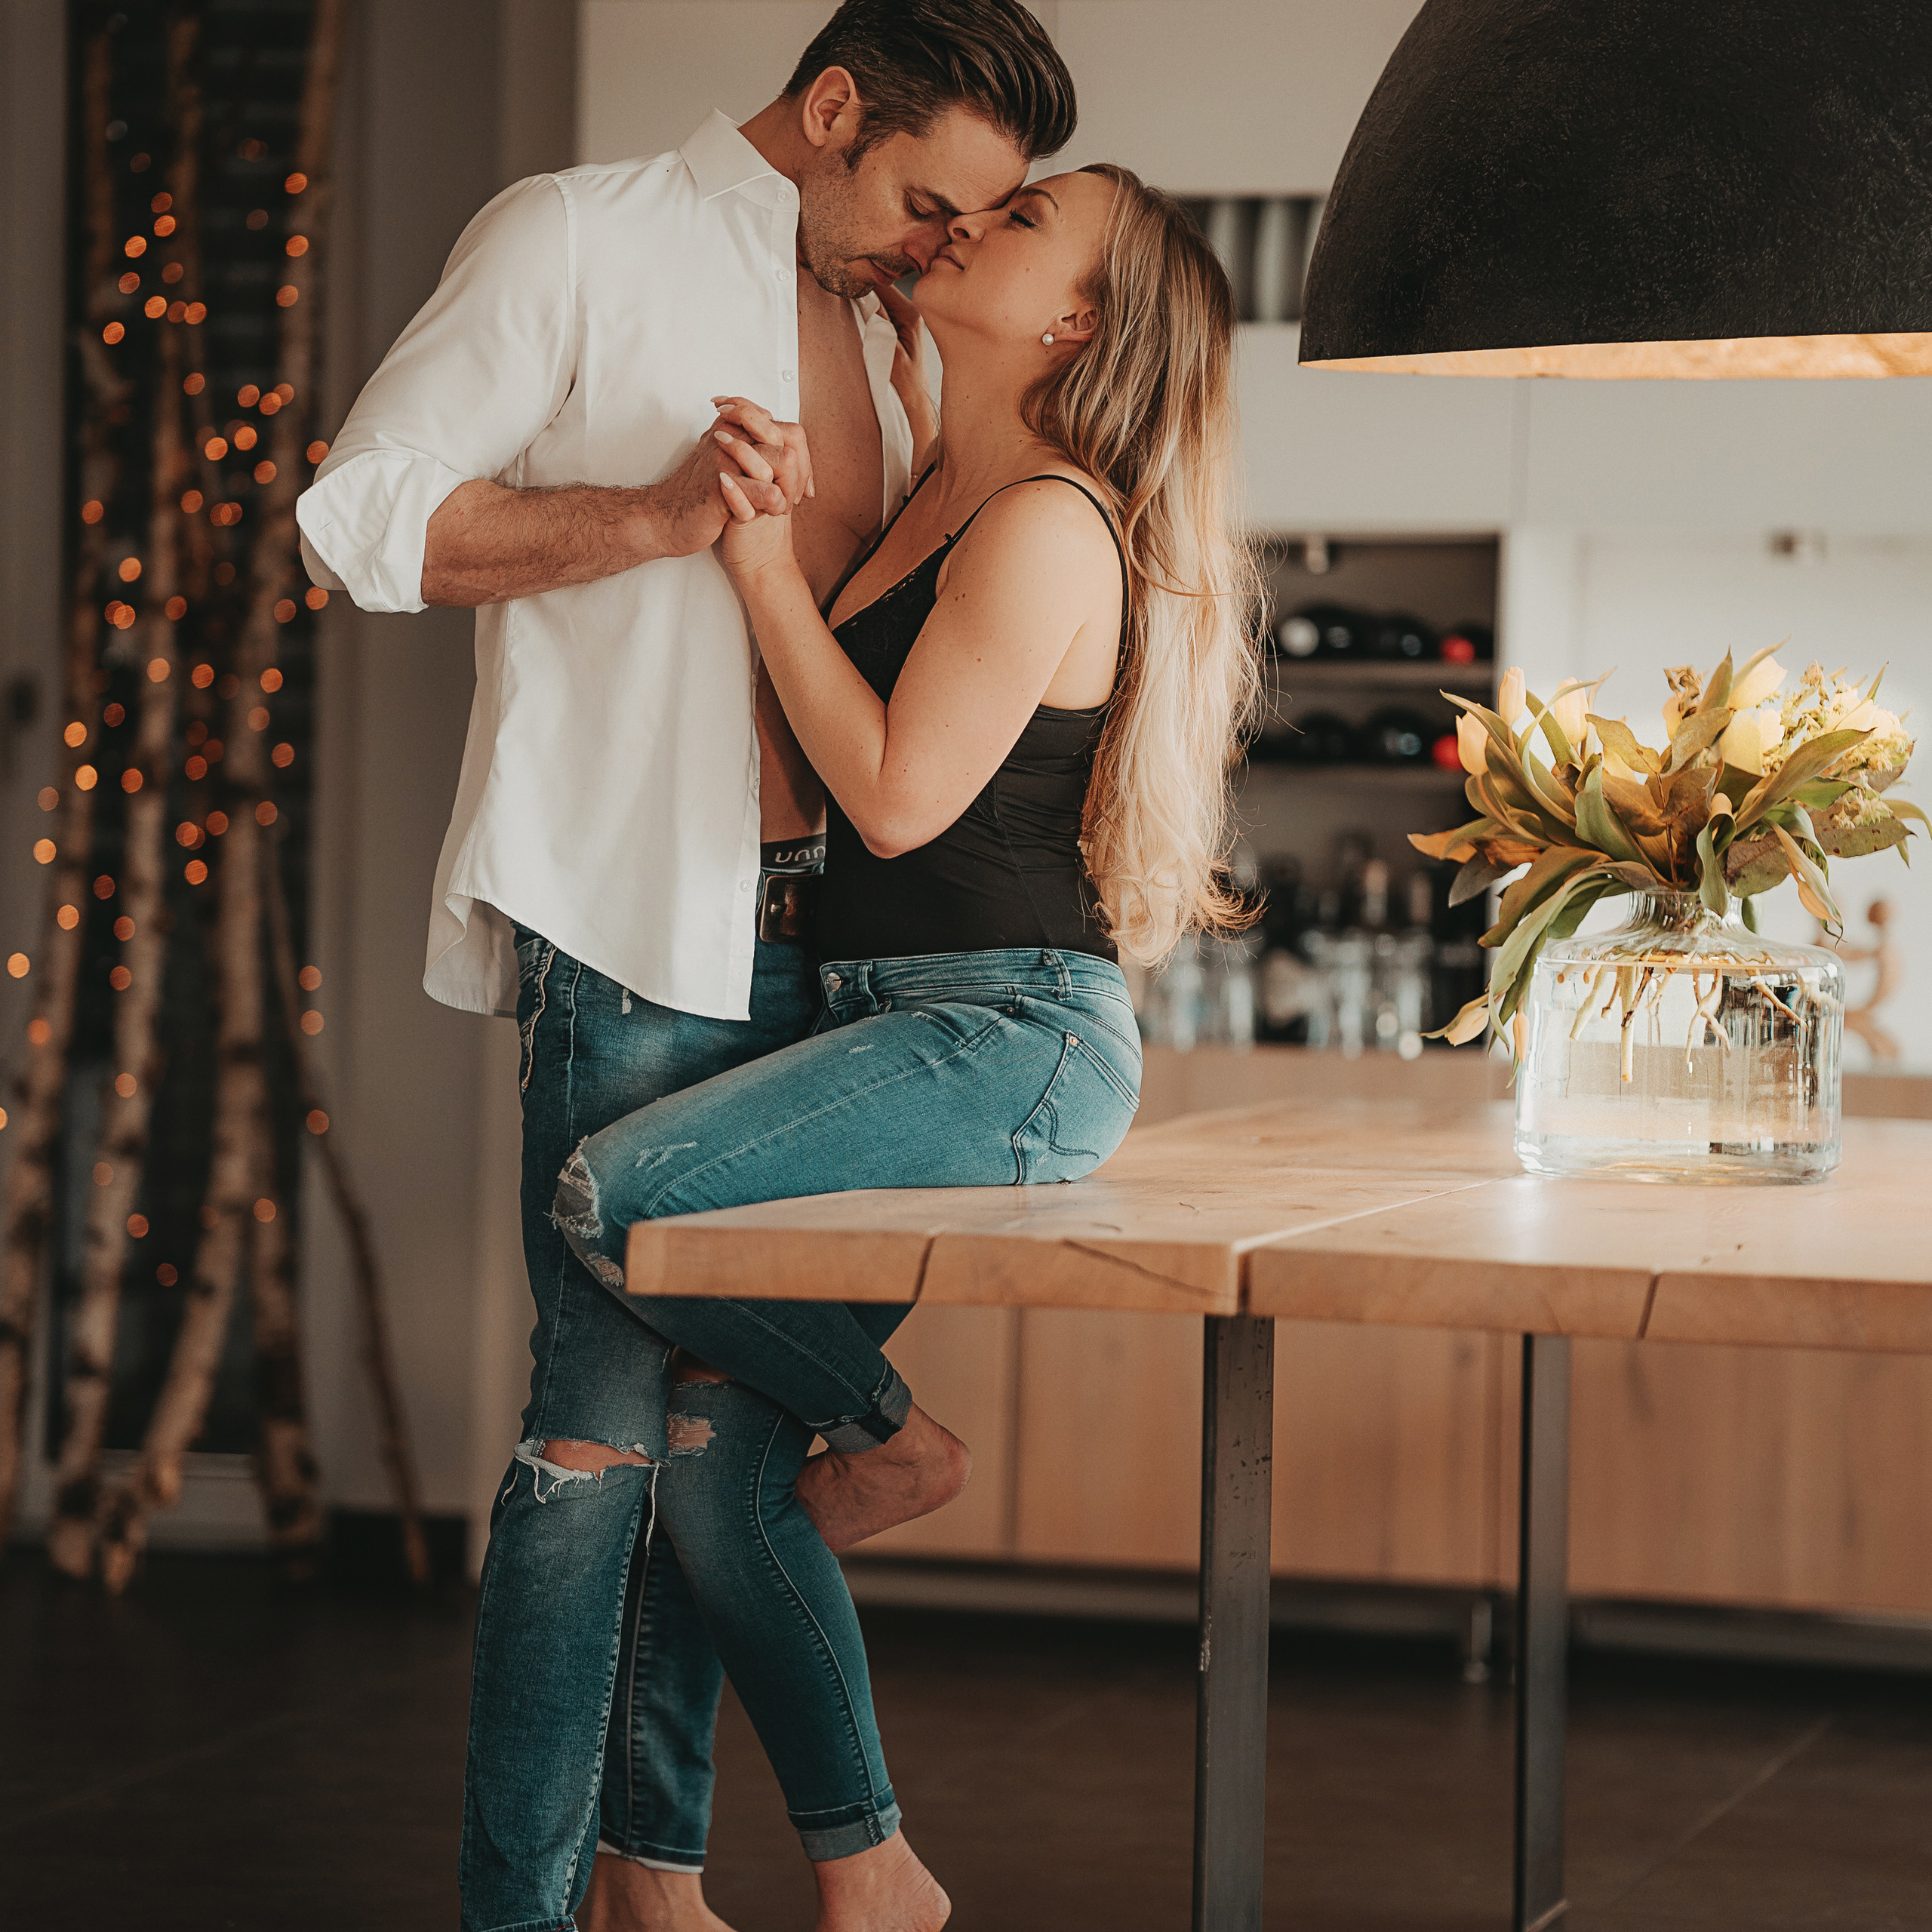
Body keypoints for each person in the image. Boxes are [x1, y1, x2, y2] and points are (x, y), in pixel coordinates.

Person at [293, 6, 1076, 1930]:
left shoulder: (900, 338)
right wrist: (649, 518)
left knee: (716, 1453)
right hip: (644, 932)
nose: (939, 247)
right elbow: (357, 514)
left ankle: (652, 1880)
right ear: (831, 109)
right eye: (924, 201)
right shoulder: (575, 234)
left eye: (972, 225)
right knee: (594, 1448)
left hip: (848, 964)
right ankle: (524, 1905)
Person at [552, 162, 1260, 1930]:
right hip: (890, 1009)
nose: (968, 225)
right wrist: (885, 353)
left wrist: (753, 562)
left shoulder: (1045, 522)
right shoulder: (953, 475)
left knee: (608, 1194)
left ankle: (891, 1436)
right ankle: (802, 1875)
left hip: (1003, 1030)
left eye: (1019, 225)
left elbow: (885, 791)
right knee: (709, 1469)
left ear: (1074, 320)